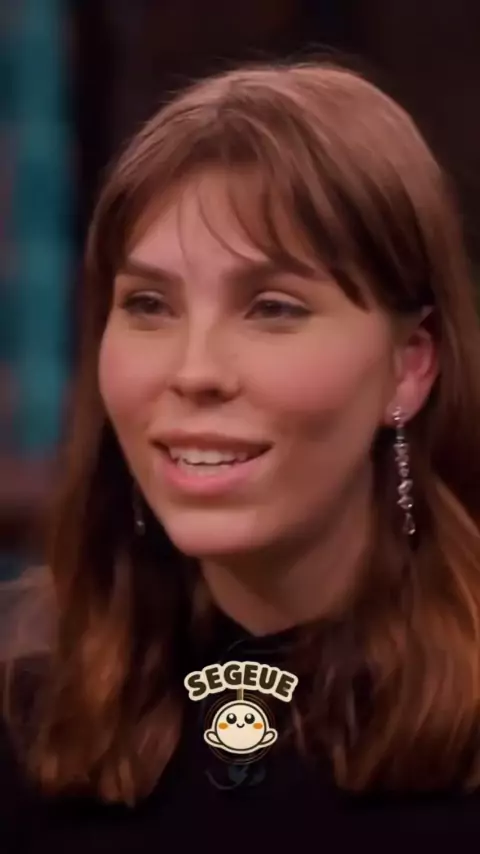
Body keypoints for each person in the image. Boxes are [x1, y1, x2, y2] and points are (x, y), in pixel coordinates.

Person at [2, 59, 480, 850]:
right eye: (148, 305)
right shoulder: (30, 716)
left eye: (272, 308)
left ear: (408, 366)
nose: (194, 372)